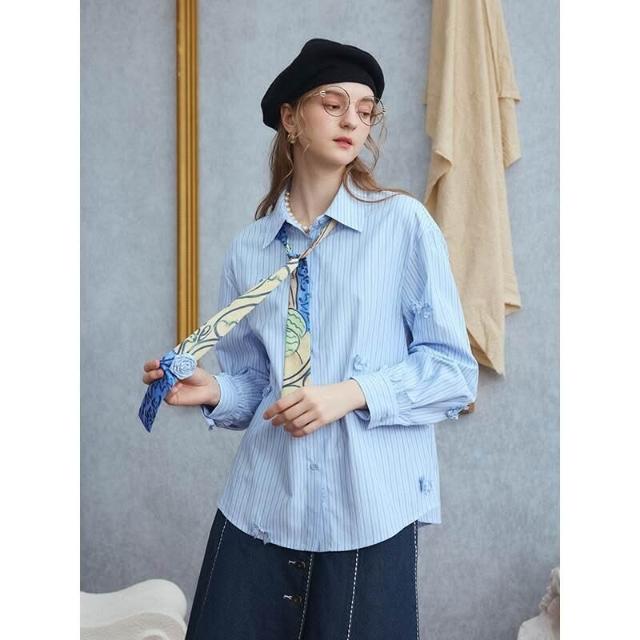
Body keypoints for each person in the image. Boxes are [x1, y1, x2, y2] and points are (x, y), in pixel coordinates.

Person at [141, 38, 478, 640]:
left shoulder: (403, 226)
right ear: (291, 119)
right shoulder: (250, 249)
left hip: (369, 513)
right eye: (333, 103)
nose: (352, 121)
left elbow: (453, 373)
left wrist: (348, 393)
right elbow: (258, 385)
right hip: (263, 506)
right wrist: (214, 390)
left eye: (365, 110)